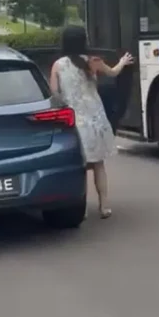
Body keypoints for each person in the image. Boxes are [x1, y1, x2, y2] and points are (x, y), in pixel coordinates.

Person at [49, 25, 133, 219]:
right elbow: (113, 73)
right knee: (98, 165)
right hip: (96, 119)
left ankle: (82, 209)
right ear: (83, 41)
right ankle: (104, 206)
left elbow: (54, 93)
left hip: (74, 121)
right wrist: (122, 61)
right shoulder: (93, 61)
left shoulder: (58, 65)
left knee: (80, 168)